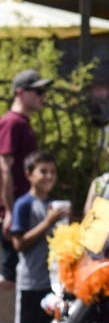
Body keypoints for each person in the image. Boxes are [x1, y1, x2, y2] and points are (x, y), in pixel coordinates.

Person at [0, 70, 51, 289]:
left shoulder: (22, 122)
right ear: (20, 93)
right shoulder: (12, 123)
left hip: (24, 210)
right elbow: (4, 168)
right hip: (15, 212)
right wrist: (9, 211)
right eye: (38, 91)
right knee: (7, 278)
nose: (43, 97)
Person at [10, 150, 69, 323]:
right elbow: (18, 243)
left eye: (53, 172)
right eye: (43, 171)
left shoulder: (53, 204)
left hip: (54, 284)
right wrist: (47, 223)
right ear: (29, 174)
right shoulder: (23, 204)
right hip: (32, 284)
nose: (49, 176)